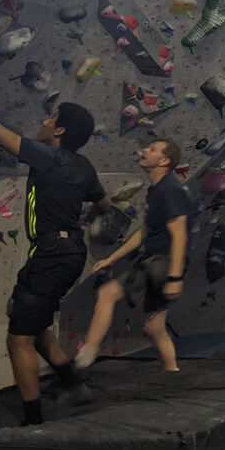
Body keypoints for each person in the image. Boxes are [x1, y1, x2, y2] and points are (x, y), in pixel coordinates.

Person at [0, 66, 111, 426]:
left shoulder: (47, 155)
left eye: (50, 118)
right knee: (36, 328)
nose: (44, 122)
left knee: (18, 339)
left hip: (51, 255)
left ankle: (32, 421)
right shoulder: (84, 166)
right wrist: (87, 215)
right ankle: (73, 383)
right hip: (68, 253)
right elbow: (104, 205)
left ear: (58, 131)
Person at [75, 139, 190, 374]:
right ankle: (173, 371)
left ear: (164, 160)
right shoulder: (157, 190)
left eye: (153, 149)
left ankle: (89, 351)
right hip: (160, 262)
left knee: (108, 293)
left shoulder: (170, 191)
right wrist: (111, 259)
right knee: (154, 327)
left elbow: (180, 235)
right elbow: (144, 233)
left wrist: (175, 278)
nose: (145, 150)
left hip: (162, 263)